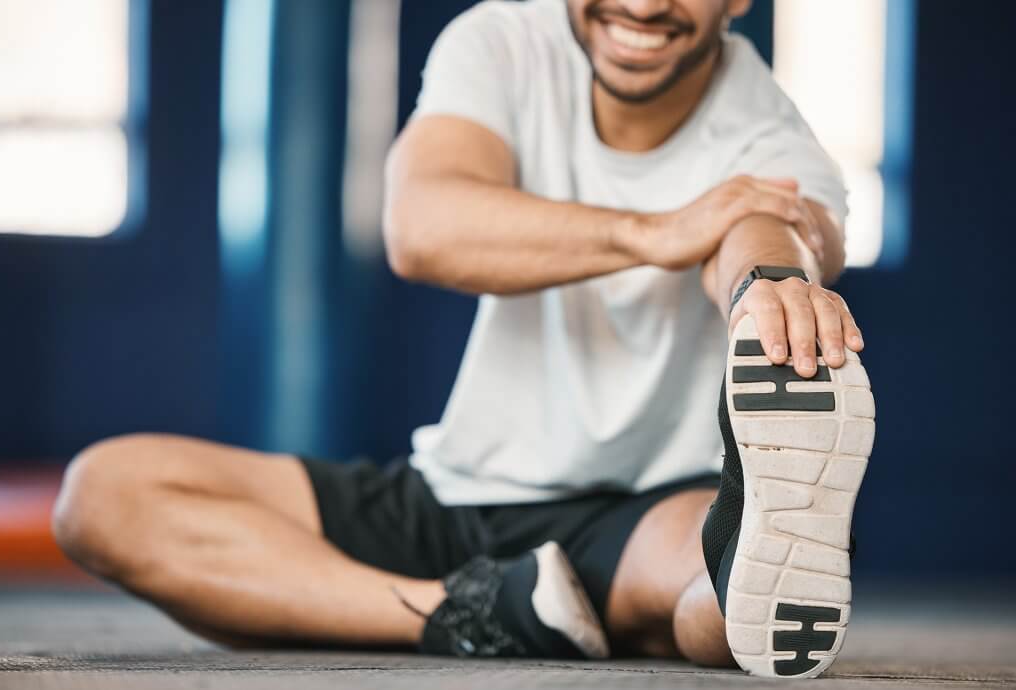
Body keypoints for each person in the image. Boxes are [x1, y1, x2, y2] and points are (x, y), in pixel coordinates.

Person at [52, 0, 874, 679]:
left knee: (719, 603)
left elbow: (768, 236)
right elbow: (422, 224)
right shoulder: (502, 43)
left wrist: (768, 295)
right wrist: (654, 231)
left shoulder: (773, 139)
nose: (646, 5)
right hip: (451, 493)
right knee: (104, 495)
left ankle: (740, 568)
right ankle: (473, 608)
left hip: (639, 513)